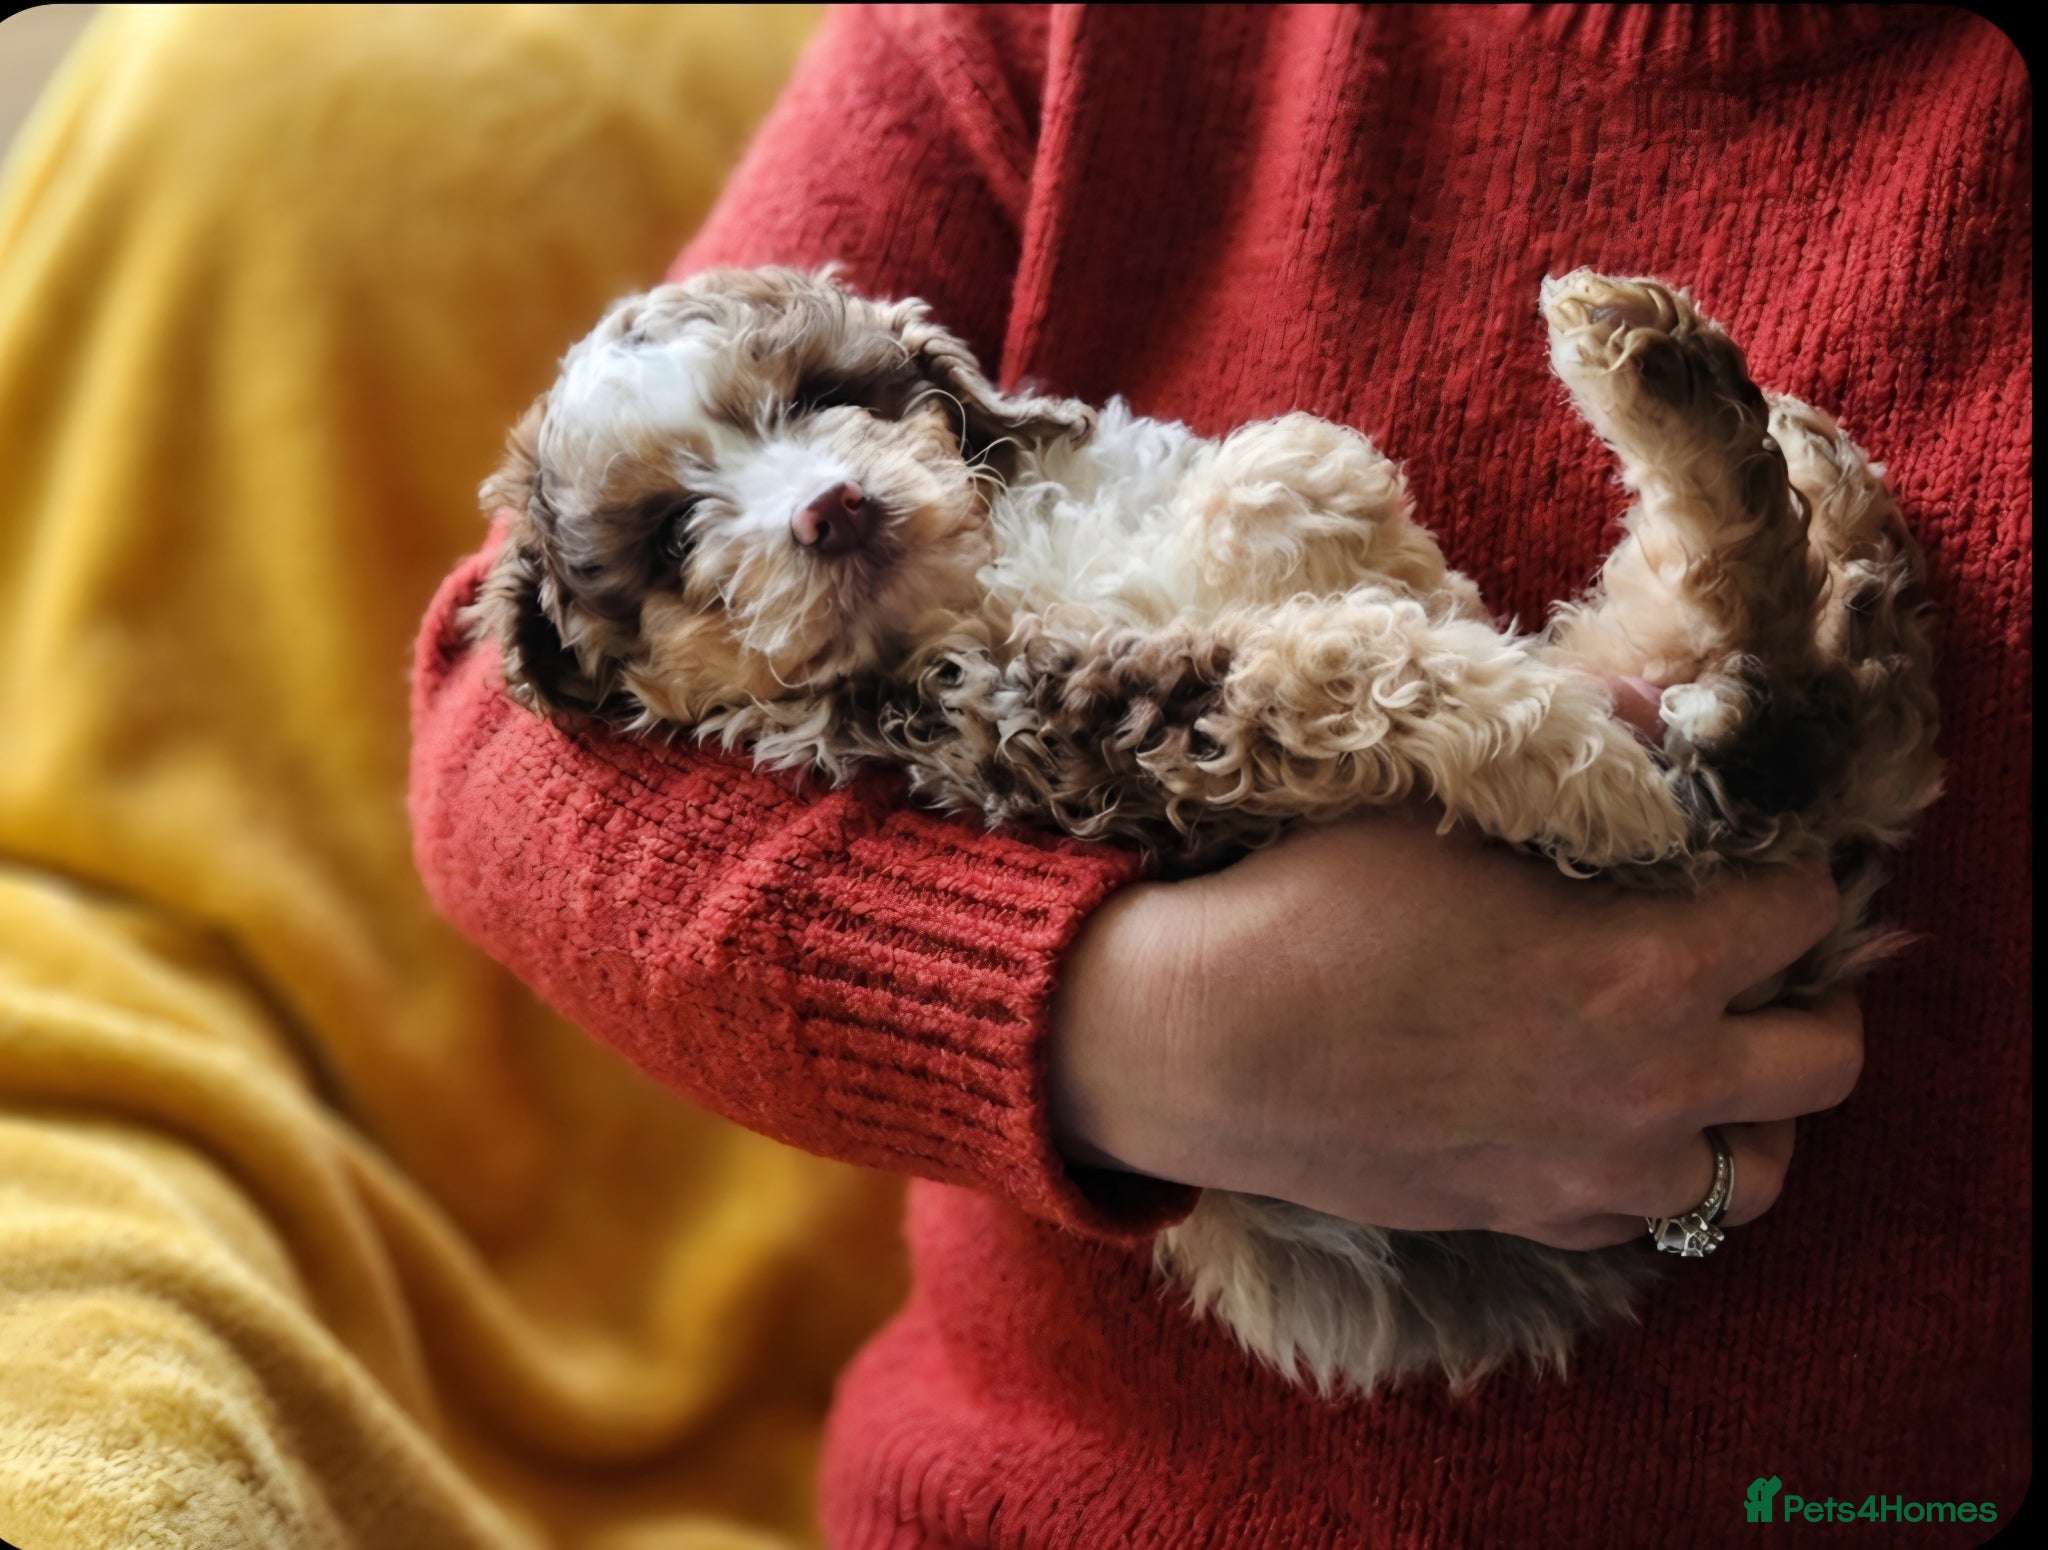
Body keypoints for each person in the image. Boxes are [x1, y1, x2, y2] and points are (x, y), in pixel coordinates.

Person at [413, 6, 2029, 1545]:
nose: (810, 492)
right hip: (1033, 1508)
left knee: (1784, 686)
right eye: (686, 523)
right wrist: (1142, 1026)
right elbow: (503, 741)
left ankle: (1743, 595)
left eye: (813, 412)